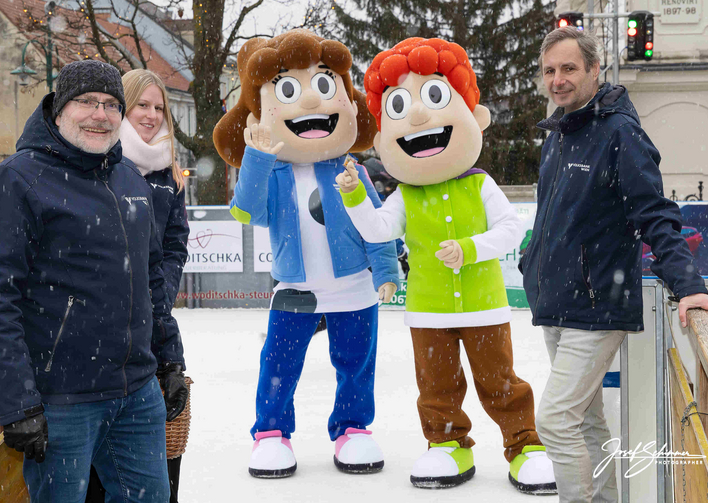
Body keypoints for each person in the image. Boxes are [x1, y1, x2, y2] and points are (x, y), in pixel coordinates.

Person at [336, 37, 557, 494]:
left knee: (500, 381)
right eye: (400, 107)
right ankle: (447, 443)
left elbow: (511, 229)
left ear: (473, 117)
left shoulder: (479, 184)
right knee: (436, 385)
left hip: (483, 305)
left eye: (434, 98)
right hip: (428, 309)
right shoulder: (406, 195)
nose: (418, 117)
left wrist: (471, 248)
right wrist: (355, 195)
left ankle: (524, 445)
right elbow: (377, 230)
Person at [0, 59, 187, 502]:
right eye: (87, 102)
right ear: (59, 108)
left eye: (111, 104)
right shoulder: (17, 180)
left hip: (136, 394)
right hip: (62, 400)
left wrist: (170, 360)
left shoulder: (129, 180)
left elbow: (149, 284)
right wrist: (19, 403)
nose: (100, 115)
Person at [521, 27, 708, 503]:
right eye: (549, 70)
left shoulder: (619, 133)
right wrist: (534, 265)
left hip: (597, 305)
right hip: (558, 303)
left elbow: (655, 214)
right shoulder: (558, 135)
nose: (557, 80)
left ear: (595, 69)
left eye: (569, 68)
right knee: (584, 420)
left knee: (555, 420)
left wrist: (689, 286)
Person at [213, 29, 400, 478]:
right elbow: (246, 211)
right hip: (295, 288)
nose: (312, 102)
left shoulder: (352, 171)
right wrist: (257, 157)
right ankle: (271, 432)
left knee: (356, 362)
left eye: (323, 85)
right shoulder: (274, 175)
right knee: (279, 362)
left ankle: (352, 427)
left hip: (353, 285)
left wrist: (385, 270)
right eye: (288, 90)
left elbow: (376, 227)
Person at [86, 69, 190, 503]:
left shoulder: (170, 174)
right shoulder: (99, 162)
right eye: (142, 105)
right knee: (99, 458)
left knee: (160, 451)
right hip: (101, 328)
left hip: (154, 321)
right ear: (122, 107)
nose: (151, 115)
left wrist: (158, 293)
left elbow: (174, 244)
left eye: (159, 107)